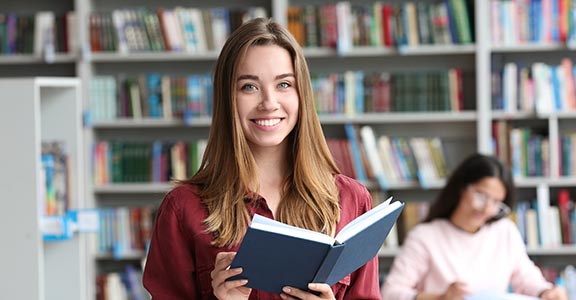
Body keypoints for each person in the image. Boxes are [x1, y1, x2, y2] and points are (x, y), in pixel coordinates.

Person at [142, 18, 381, 300]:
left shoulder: (351, 200)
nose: (269, 102)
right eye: (249, 87)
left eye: (283, 84)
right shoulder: (183, 208)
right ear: (227, 97)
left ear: (301, 93)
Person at [380, 153, 568, 300]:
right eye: (481, 196)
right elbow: (390, 292)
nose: (487, 208)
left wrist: (546, 292)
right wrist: (439, 298)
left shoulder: (504, 231)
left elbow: (526, 278)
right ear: (462, 187)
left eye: (496, 202)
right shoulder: (425, 236)